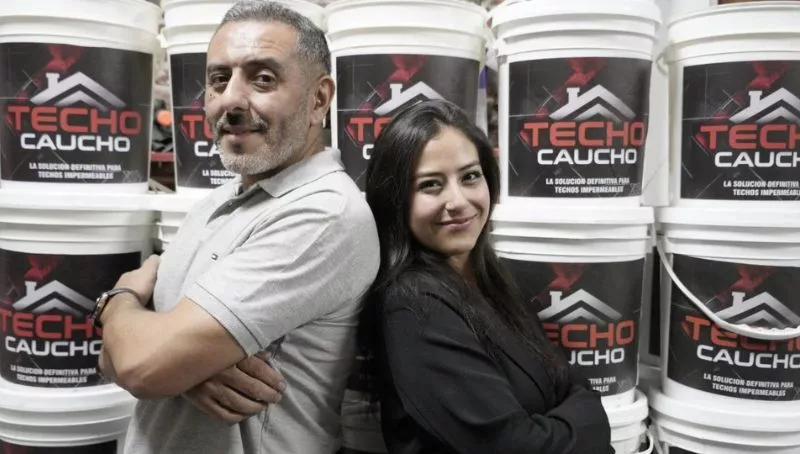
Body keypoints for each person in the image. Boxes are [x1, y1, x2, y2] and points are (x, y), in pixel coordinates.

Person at [94, 2, 380, 453]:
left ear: (319, 99)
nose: (230, 100)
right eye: (219, 79)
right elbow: (113, 360)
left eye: (262, 78)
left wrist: (118, 302)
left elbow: (138, 364)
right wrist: (183, 370)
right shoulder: (213, 204)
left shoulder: (325, 214)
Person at [358, 99, 613, 453]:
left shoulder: (490, 277)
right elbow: (513, 446)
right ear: (396, 199)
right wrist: (590, 422)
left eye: (470, 177)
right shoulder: (414, 306)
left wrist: (582, 409)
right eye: (430, 185)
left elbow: (570, 381)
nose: (458, 201)